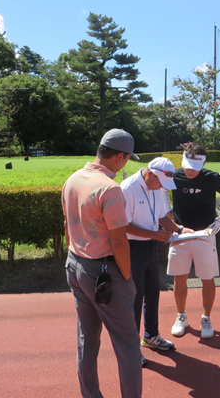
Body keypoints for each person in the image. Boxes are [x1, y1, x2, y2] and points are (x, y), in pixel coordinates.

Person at [62, 128, 142, 398]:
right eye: (127, 158)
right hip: (103, 272)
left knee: (86, 338)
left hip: (75, 263)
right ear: (120, 156)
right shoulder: (110, 188)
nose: (126, 163)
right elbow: (119, 241)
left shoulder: (73, 179)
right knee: (128, 344)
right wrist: (127, 278)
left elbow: (67, 225)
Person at [121, 157, 193, 363]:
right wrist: (154, 234)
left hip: (151, 247)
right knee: (134, 298)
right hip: (133, 248)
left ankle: (151, 336)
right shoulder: (127, 188)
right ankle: (131, 349)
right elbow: (123, 224)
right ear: (151, 174)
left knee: (153, 293)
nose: (162, 187)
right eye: (161, 182)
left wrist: (179, 229)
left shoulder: (156, 187)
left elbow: (161, 217)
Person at [168, 143, 220, 339]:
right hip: (179, 235)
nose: (190, 171)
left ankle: (206, 318)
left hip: (205, 235)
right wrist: (169, 215)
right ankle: (181, 316)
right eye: (188, 166)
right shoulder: (174, 176)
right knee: (179, 278)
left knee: (207, 279)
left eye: (195, 168)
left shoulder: (212, 177)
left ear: (203, 164)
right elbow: (160, 192)